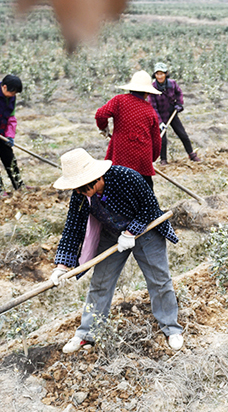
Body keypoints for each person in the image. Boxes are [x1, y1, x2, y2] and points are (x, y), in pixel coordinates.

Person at [49, 148, 184, 353]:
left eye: (80, 187)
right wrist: (61, 265)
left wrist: (131, 233)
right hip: (112, 233)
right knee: (100, 283)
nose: (77, 192)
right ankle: (87, 333)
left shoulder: (127, 177)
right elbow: (73, 228)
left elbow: (149, 208)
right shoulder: (80, 195)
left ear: (96, 178)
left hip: (146, 231)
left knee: (159, 280)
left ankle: (171, 328)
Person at [96, 70, 162, 189]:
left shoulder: (119, 101)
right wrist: (151, 159)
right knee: (145, 193)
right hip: (142, 161)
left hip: (120, 157)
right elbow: (156, 141)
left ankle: (109, 205)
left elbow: (100, 114)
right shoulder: (150, 111)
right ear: (147, 92)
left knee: (113, 189)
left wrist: (103, 127)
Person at [148, 62, 201, 165]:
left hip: (172, 112)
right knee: (162, 140)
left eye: (162, 74)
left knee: (182, 134)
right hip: (160, 115)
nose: (159, 76)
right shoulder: (152, 88)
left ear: (166, 74)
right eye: (157, 74)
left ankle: (191, 154)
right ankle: (163, 160)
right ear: (155, 75)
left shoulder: (172, 83)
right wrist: (159, 122)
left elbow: (179, 93)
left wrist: (179, 104)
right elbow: (153, 107)